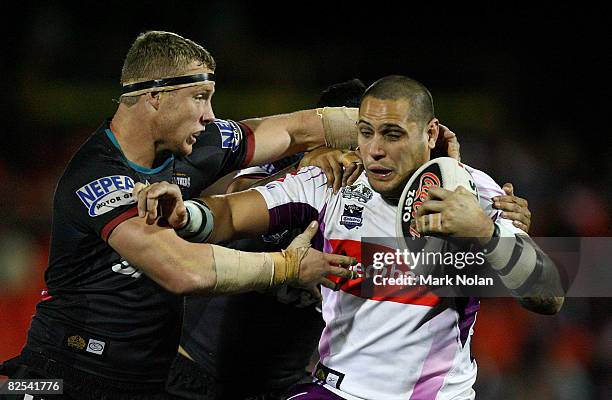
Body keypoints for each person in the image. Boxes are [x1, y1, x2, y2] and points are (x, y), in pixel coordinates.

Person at [135, 75, 564, 400]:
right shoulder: (329, 180)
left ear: (429, 134)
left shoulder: (474, 192)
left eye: (392, 134)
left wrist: (486, 232)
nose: (374, 149)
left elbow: (549, 295)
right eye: (364, 133)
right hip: (323, 388)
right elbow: (228, 212)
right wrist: (185, 211)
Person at [0, 30, 363, 400]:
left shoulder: (198, 145)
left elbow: (294, 129)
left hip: (146, 384)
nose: (210, 115)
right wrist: (288, 266)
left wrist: (391, 136)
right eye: (200, 98)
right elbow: (182, 269)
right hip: (64, 376)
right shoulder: (98, 178)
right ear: (154, 96)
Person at [165, 79, 367, 400]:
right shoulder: (286, 161)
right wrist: (302, 168)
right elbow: (234, 200)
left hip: (278, 386)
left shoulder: (381, 202)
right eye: (354, 137)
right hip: (195, 368)